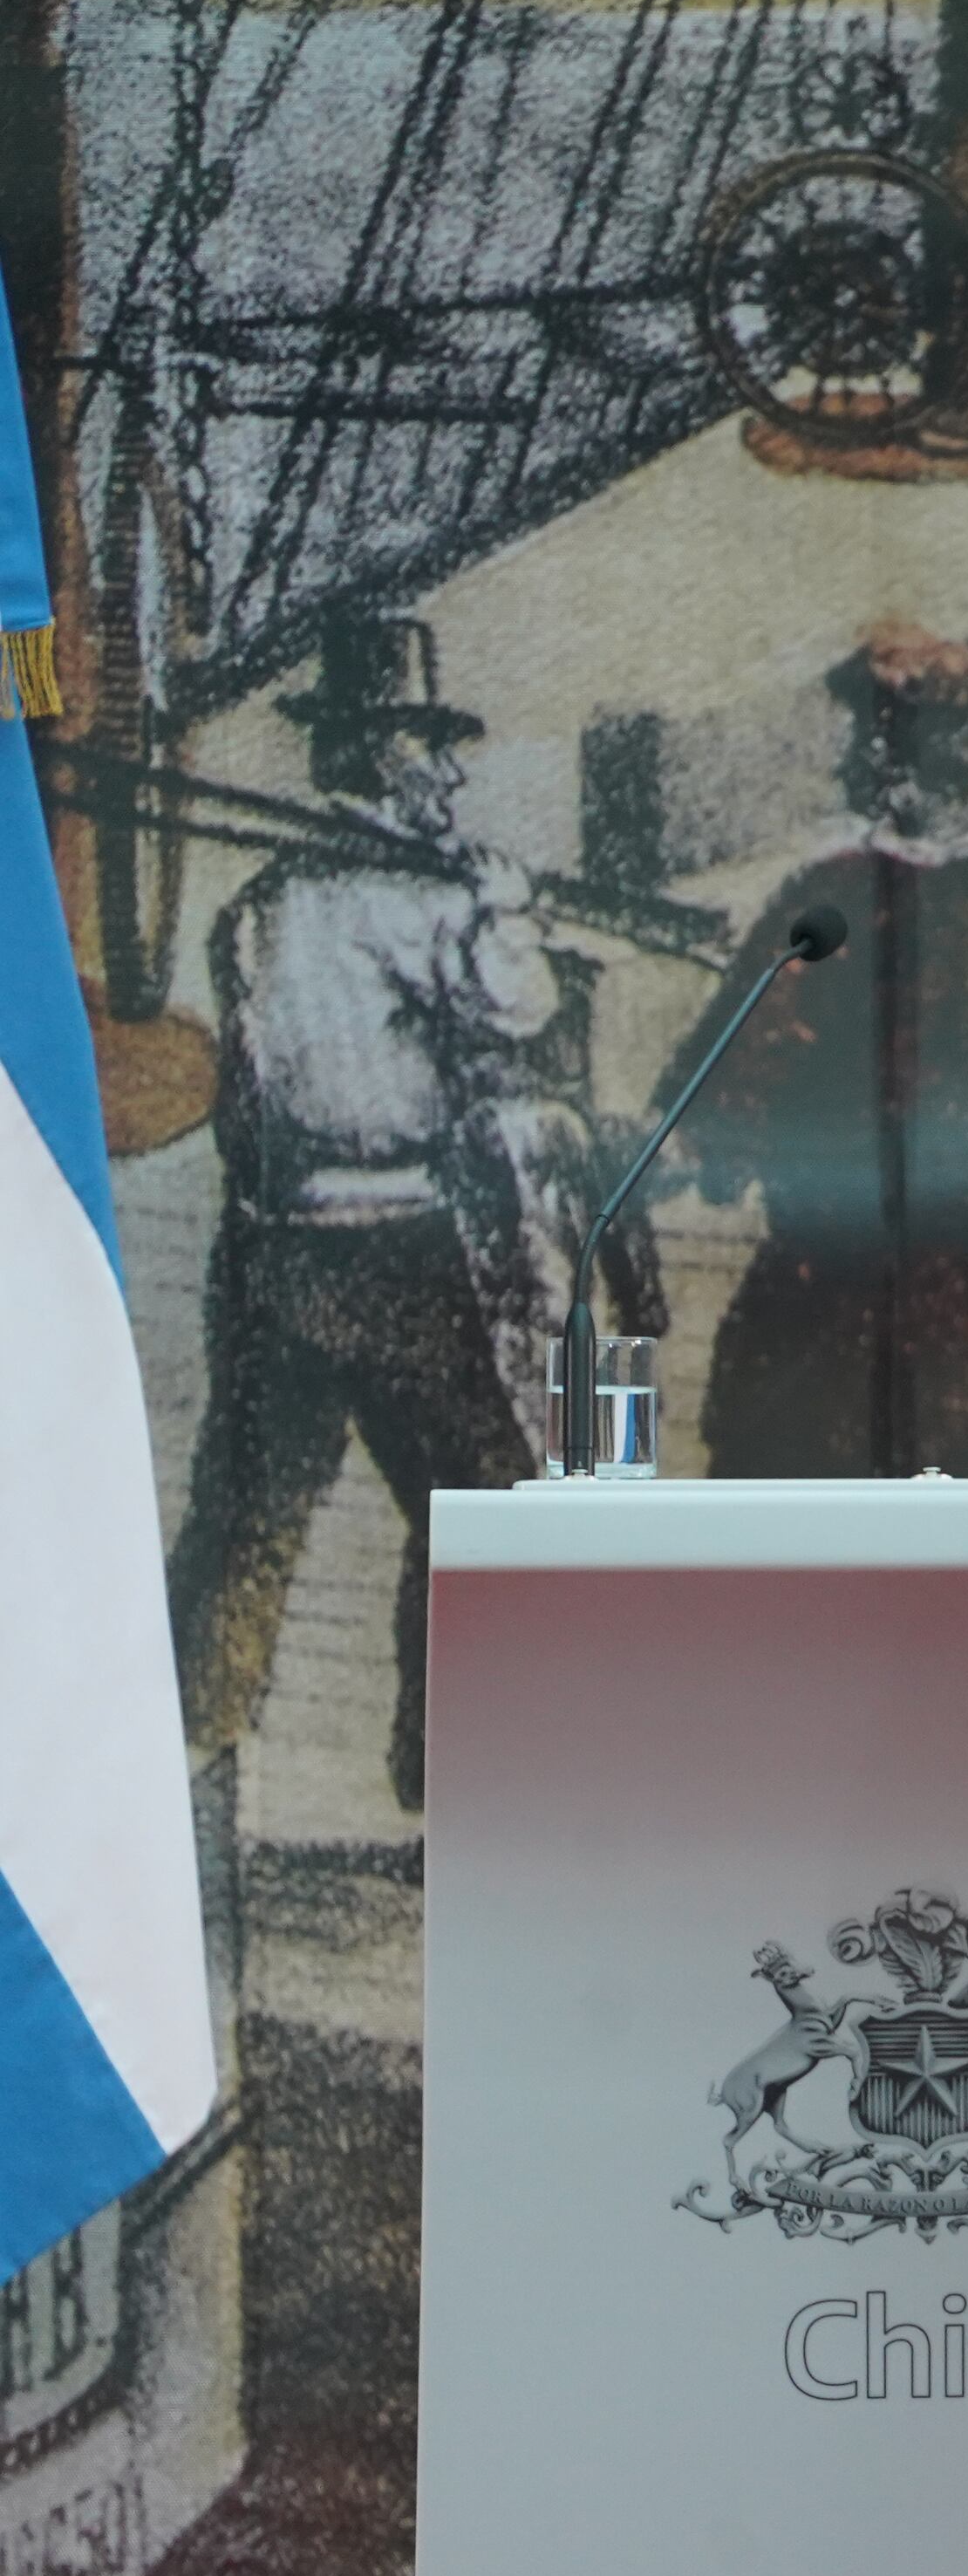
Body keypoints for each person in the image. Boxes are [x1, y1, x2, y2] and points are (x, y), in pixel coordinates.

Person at [170, 612, 628, 1813]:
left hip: (270, 1255)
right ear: (381, 755)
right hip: (402, 1254)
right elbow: (521, 1013)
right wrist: (505, 911)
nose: (452, 772)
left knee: (247, 1525)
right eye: (431, 749)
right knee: (481, 1512)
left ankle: (179, 1754)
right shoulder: (425, 903)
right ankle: (458, 1775)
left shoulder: (260, 905)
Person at [679, 622, 968, 1476]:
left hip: (946, 1272)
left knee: (954, 1508)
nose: (864, 759)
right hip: (835, 1264)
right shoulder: (833, 892)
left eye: (889, 738)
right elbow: (751, 1039)